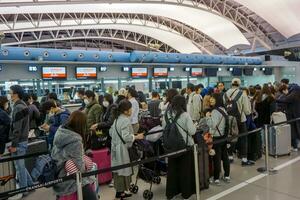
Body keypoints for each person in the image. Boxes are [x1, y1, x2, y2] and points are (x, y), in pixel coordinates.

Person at [51, 111, 97, 200]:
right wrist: (87, 163)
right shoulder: (75, 140)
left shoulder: (61, 132)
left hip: (58, 175)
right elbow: (80, 168)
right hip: (70, 180)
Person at [162, 95, 196, 200]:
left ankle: (171, 194)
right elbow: (192, 131)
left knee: (172, 171)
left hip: (171, 146)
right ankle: (185, 193)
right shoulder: (185, 115)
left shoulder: (166, 114)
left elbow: (164, 128)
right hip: (184, 146)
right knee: (185, 171)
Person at [109, 100, 144, 199]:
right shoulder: (125, 120)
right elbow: (126, 137)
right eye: (130, 108)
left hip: (115, 148)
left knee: (118, 171)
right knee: (123, 170)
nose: (132, 110)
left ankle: (119, 191)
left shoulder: (117, 119)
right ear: (125, 111)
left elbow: (111, 132)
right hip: (122, 150)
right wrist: (137, 137)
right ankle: (121, 193)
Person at [8, 85, 34, 198]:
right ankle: (30, 185)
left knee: (19, 167)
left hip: (19, 141)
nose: (9, 95)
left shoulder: (18, 107)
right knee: (21, 165)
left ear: (16, 94)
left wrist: (14, 144)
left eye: (10, 92)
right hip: (23, 140)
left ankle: (24, 190)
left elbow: (17, 128)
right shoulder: (23, 105)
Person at [224, 78, 252, 166]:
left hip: (229, 120)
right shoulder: (242, 93)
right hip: (240, 119)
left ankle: (230, 156)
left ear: (231, 84)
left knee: (230, 138)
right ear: (239, 85)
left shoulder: (225, 94)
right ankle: (244, 159)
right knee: (243, 138)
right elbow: (247, 111)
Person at [205, 93, 230, 185]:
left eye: (213, 99)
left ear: (218, 100)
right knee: (225, 156)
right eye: (211, 98)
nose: (211, 100)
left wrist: (207, 116)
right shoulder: (223, 109)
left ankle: (216, 178)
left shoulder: (215, 111)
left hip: (216, 137)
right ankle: (227, 175)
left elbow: (213, 125)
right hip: (224, 136)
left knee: (216, 158)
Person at [276, 83, 300, 151]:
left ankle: (295, 146)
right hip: (295, 114)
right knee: (296, 130)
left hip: (293, 115)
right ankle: (295, 146)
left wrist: (275, 99)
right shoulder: (295, 91)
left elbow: (286, 100)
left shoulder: (294, 91)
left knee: (294, 131)